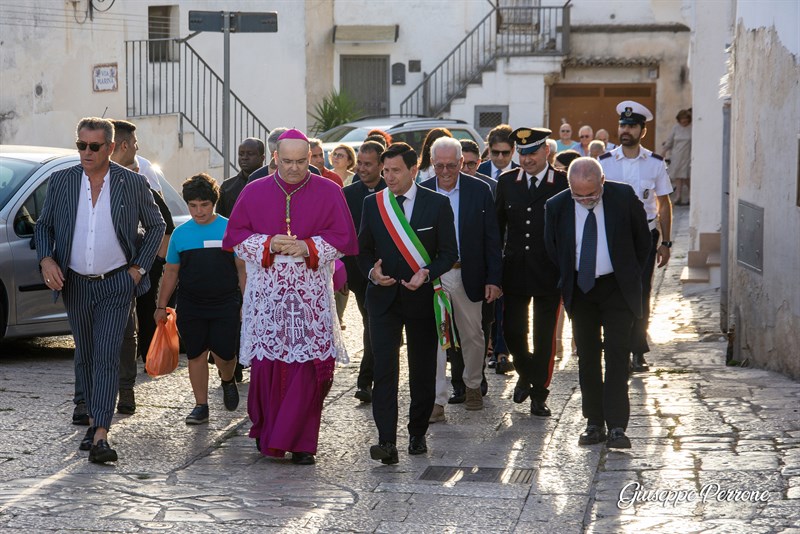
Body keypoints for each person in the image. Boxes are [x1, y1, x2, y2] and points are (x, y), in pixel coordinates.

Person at [223, 128, 358, 465]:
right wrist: (268, 243)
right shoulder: (254, 191)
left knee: (311, 368)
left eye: (302, 161)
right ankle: (269, 433)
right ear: (275, 158)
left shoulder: (329, 190)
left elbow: (343, 239)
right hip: (268, 296)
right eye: (288, 161)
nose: (296, 168)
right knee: (269, 365)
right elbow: (236, 237)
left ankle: (302, 443)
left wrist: (307, 246)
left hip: (310, 295)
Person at [35, 117, 165, 463]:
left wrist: (137, 269)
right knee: (88, 355)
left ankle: (102, 434)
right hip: (74, 283)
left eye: (94, 146)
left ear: (111, 147)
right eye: (81, 145)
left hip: (117, 284)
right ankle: (93, 423)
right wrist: (47, 260)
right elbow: (44, 226)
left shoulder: (133, 183)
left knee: (107, 355)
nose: (86, 152)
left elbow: (156, 225)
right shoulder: (61, 181)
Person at [358, 142, 457, 464]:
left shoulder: (437, 204)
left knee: (422, 370)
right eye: (385, 171)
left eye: (395, 170)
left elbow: (449, 253)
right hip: (383, 300)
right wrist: (372, 272)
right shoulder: (373, 204)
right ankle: (386, 440)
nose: (388, 177)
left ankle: (417, 433)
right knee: (384, 370)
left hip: (421, 298)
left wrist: (427, 274)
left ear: (414, 170)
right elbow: (362, 251)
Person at [544, 157, 651, 448]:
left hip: (616, 288)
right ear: (570, 189)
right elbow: (553, 249)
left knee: (617, 356)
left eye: (592, 194)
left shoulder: (622, 197)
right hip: (582, 289)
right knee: (587, 358)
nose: (586, 201)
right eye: (579, 196)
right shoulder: (556, 206)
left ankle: (617, 426)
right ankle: (593, 423)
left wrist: (629, 276)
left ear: (602, 182)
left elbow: (643, 242)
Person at [420, 137, 502, 416]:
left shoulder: (479, 191)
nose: (445, 172)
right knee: (434, 339)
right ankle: (436, 400)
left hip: (468, 273)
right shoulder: (421, 191)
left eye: (451, 166)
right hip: (434, 277)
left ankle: (472, 384)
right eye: (440, 166)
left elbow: (492, 238)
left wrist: (494, 278)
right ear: (432, 164)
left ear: (461, 163)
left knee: (474, 336)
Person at [155, 174, 244, 424]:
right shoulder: (180, 235)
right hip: (191, 304)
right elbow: (171, 272)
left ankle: (227, 379)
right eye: (193, 205)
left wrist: (247, 303)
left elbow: (242, 269)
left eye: (204, 205)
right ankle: (201, 405)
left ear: (213, 203)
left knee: (225, 355)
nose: (199, 211)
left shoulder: (229, 228)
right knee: (195, 353)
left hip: (226, 302)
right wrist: (161, 306)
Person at [495, 127, 568, 417]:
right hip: (514, 270)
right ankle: (526, 372)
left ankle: (540, 392)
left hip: (549, 272)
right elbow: (497, 229)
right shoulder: (507, 182)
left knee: (544, 335)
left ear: (546, 151)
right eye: (521, 153)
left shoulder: (562, 183)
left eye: (532, 153)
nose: (526, 160)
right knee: (512, 330)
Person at [599, 100, 673, 373]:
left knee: (641, 292)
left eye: (631, 126)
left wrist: (665, 241)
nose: (625, 129)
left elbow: (664, 203)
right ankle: (614, 346)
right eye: (622, 125)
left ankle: (637, 349)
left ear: (642, 130)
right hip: (614, 236)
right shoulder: (604, 162)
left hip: (645, 235)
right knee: (613, 290)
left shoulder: (654, 163)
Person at [109, 119, 176, 415]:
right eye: (135, 144)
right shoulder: (80, 181)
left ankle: (125, 391)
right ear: (123, 145)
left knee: (125, 335)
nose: (138, 149)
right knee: (90, 338)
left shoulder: (139, 184)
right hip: (88, 274)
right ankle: (85, 397)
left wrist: (145, 266)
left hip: (127, 275)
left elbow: (163, 225)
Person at [342, 141, 386, 404]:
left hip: (393, 272)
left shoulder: (392, 189)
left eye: (368, 164)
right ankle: (366, 380)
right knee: (372, 323)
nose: (361, 168)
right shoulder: (348, 194)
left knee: (377, 326)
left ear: (382, 165)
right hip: (362, 274)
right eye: (359, 163)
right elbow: (346, 238)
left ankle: (369, 379)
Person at [217, 138, 266, 218]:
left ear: (262, 158)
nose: (244, 157)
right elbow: (221, 220)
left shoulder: (272, 184)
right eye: (241, 154)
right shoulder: (227, 187)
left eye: (250, 154)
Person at [662, 109, 692, 205]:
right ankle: (678, 196)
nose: (684, 120)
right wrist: (664, 151)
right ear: (679, 119)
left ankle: (691, 196)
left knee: (687, 177)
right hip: (677, 155)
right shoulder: (675, 128)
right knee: (678, 176)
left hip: (688, 155)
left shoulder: (692, 128)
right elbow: (670, 140)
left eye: (686, 118)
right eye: (682, 118)